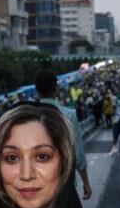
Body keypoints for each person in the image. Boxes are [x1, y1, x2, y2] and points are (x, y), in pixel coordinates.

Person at [34, 69, 93, 200]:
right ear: (56, 88)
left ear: (38, 90)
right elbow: (78, 152)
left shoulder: (28, 115)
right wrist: (86, 183)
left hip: (38, 183)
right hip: (64, 183)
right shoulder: (68, 115)